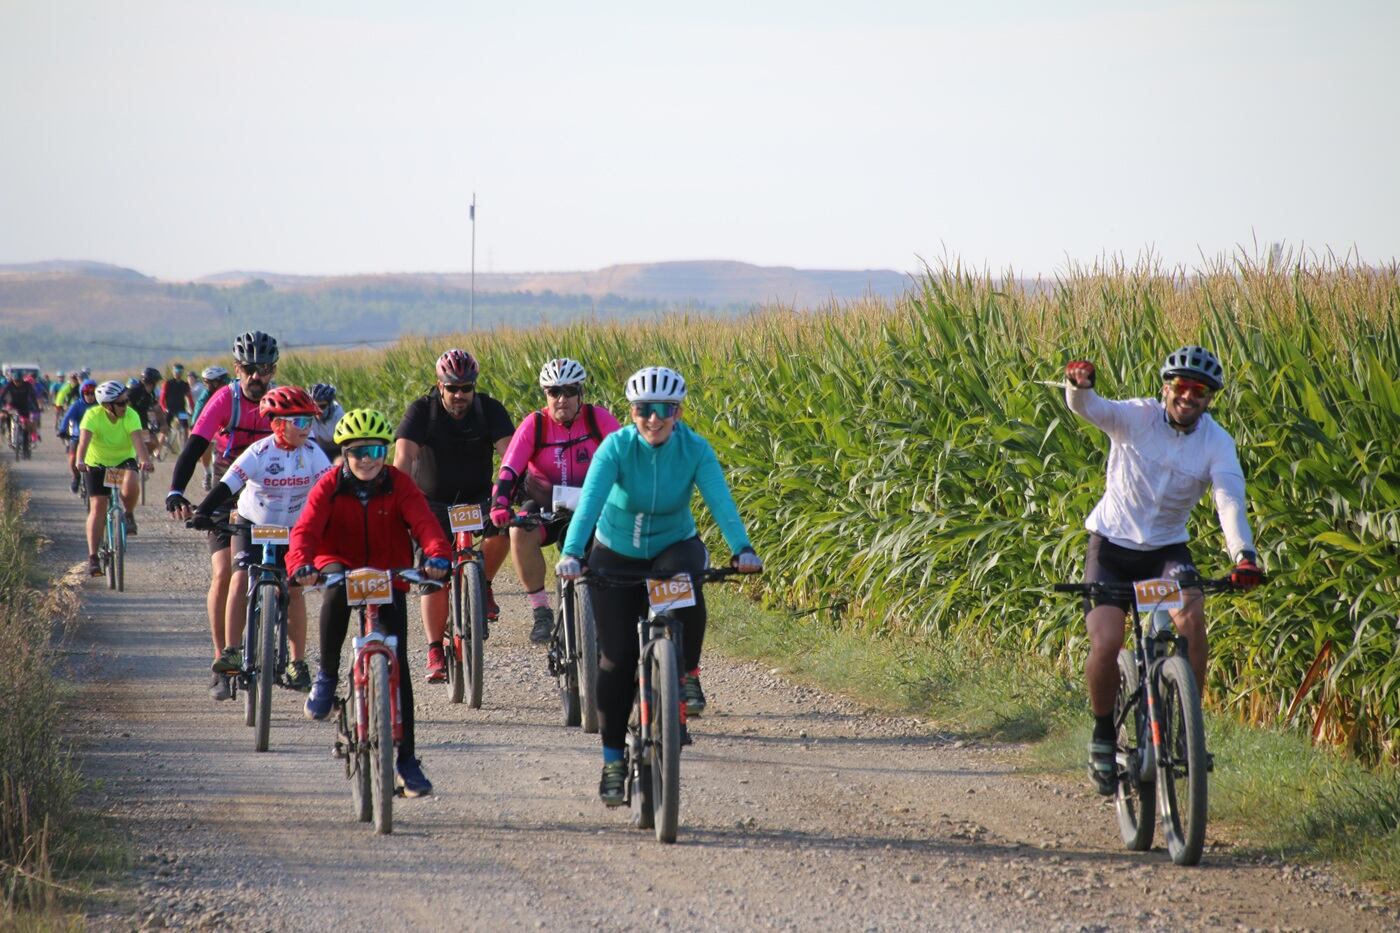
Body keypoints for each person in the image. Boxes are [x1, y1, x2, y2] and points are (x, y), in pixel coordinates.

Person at [555, 365, 763, 806]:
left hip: (673, 547)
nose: (653, 418)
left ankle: (686, 674)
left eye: (663, 409)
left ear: (678, 412)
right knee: (615, 662)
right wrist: (573, 554)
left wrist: (742, 548)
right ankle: (613, 761)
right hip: (614, 554)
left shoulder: (694, 449)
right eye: (644, 409)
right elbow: (589, 502)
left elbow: (719, 500)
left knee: (687, 578)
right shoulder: (615, 448)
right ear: (631, 412)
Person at [1064, 347, 1264, 795]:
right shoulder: (1136, 417)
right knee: (1108, 641)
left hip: (1165, 554)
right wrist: (1079, 386)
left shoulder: (1217, 442)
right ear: (1165, 389)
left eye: (1200, 390)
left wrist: (1243, 556)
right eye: (1181, 387)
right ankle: (1101, 735)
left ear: (1210, 398)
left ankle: (1183, 729)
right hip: (1112, 549)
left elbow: (1228, 500)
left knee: (1192, 619)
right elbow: (1090, 408)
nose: (1188, 396)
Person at [288, 408, 450, 798]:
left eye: (376, 450)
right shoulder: (329, 484)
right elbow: (305, 531)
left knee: (400, 665)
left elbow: (425, 524)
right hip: (338, 563)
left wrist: (437, 555)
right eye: (358, 452)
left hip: (388, 570)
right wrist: (302, 565)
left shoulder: (399, 484)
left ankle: (407, 762)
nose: (368, 460)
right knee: (337, 589)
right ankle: (326, 677)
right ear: (343, 454)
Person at [192, 386, 330, 696]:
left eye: (310, 422)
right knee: (239, 577)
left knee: (296, 587)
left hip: (294, 528)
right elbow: (228, 485)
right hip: (252, 524)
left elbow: (331, 487)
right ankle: (230, 651)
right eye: (301, 422)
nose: (307, 429)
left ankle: (297, 663)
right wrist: (203, 511)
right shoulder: (260, 452)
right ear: (279, 424)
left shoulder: (312, 452)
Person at [166, 331, 280, 700]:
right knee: (225, 571)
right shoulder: (224, 400)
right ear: (237, 369)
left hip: (270, 497)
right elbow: (194, 446)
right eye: (248, 368)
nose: (255, 376)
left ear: (273, 369)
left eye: (263, 369)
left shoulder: (281, 401)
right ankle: (223, 660)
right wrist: (175, 491)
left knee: (281, 572)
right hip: (226, 496)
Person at [392, 349, 514, 683]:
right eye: (452, 388)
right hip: (431, 502)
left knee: (505, 530)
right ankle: (434, 648)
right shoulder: (422, 411)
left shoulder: (489, 409)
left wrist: (511, 490)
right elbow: (403, 458)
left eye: (466, 388)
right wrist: (399, 503)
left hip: (478, 498)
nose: (459, 395)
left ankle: (484, 584)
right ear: (439, 385)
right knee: (433, 570)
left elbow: (511, 456)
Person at [490, 358, 620, 644]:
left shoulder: (599, 420)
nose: (562, 399)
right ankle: (541, 612)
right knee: (519, 531)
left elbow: (627, 459)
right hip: (546, 507)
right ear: (545, 395)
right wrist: (499, 502)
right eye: (553, 392)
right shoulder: (535, 424)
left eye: (569, 391)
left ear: (580, 393)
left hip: (594, 506)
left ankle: (608, 607)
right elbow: (509, 469)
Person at [75, 381, 154, 575]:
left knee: (131, 484)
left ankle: (128, 513)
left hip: (122, 461)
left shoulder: (131, 415)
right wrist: (80, 461)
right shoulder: (92, 416)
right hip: (97, 464)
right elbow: (83, 442)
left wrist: (145, 460)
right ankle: (93, 557)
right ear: (106, 406)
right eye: (120, 403)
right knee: (98, 507)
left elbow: (138, 441)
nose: (125, 405)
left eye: (126, 401)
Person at [193, 365, 232, 490]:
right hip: (212, 425)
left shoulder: (232, 389)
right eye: (205, 382)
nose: (206, 385)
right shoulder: (206, 394)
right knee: (206, 447)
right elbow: (199, 408)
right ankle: (207, 473)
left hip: (227, 425)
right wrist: (194, 424)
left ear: (217, 381)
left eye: (208, 382)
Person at [58, 379, 98, 493]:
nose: (90, 396)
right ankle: (76, 477)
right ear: (82, 393)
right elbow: (66, 417)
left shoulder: (100, 405)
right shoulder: (77, 404)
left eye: (92, 393)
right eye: (87, 393)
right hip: (77, 437)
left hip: (96, 438)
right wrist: (62, 430)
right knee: (72, 460)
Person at [158, 362, 193, 456]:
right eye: (176, 371)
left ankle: (185, 448)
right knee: (164, 429)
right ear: (173, 372)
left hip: (181, 409)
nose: (178, 373)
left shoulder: (185, 384)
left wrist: (192, 410)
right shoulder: (167, 383)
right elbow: (161, 399)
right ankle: (158, 450)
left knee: (185, 427)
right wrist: (164, 408)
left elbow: (189, 399)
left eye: (180, 371)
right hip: (170, 409)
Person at [0, 371, 40, 453]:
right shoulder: (9, 385)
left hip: (24, 406)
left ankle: (26, 446)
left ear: (22, 380)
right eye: (15, 381)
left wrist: (35, 408)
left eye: (18, 381)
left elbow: (33, 397)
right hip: (12, 405)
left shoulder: (27, 385)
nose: (17, 383)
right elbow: (3, 397)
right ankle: (5, 431)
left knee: (26, 425)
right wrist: (3, 407)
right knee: (2, 416)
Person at [308, 382, 344, 461]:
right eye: (314, 406)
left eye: (322, 406)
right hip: (320, 451)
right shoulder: (309, 415)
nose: (318, 411)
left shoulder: (339, 415)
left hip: (339, 451)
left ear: (331, 404)